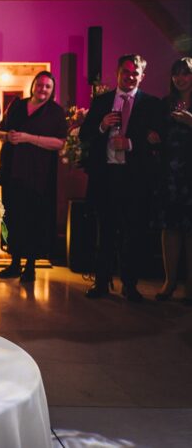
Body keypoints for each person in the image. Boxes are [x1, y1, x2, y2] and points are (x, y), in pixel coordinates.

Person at [79, 54, 162, 302]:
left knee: (133, 233)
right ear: (117, 73)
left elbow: (158, 141)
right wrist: (102, 125)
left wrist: (131, 143)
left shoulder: (151, 104)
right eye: (125, 72)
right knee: (104, 231)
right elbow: (85, 135)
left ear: (142, 76)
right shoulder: (103, 100)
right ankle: (101, 283)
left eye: (135, 72)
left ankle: (130, 285)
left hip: (135, 178)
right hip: (106, 175)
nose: (130, 76)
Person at [0, 71, 67, 283]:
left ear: (52, 90)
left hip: (39, 174)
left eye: (47, 86)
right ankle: (15, 263)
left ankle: (31, 267)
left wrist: (29, 138)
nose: (42, 89)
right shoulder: (17, 105)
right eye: (40, 85)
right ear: (33, 85)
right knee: (14, 218)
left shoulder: (55, 112)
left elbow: (60, 143)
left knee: (35, 219)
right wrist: (7, 136)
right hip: (13, 171)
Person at [155, 57, 192, 304]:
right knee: (170, 228)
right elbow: (157, 133)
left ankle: (190, 287)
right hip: (170, 174)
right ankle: (169, 282)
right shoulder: (165, 103)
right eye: (176, 74)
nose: (180, 78)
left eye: (185, 74)